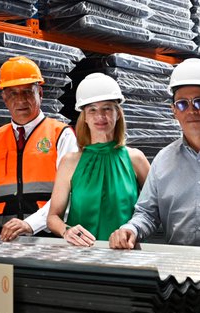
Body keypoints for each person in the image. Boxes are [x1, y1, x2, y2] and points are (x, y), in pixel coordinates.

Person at [108, 58, 200, 250]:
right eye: (182, 104)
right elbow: (147, 213)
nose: (191, 111)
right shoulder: (162, 161)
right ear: (174, 111)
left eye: (199, 102)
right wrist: (132, 229)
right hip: (181, 271)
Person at [0, 57, 76, 241]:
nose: (20, 100)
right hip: (1, 239)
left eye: (27, 92)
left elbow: (69, 193)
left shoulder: (61, 135)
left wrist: (31, 224)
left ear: (40, 93)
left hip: (48, 239)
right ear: (4, 98)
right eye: (13, 94)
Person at [47, 74, 150, 246]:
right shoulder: (70, 162)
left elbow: (154, 211)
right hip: (80, 257)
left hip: (125, 254)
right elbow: (52, 217)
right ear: (84, 117)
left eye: (107, 108)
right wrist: (66, 230)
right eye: (92, 110)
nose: (100, 116)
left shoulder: (136, 159)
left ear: (118, 114)